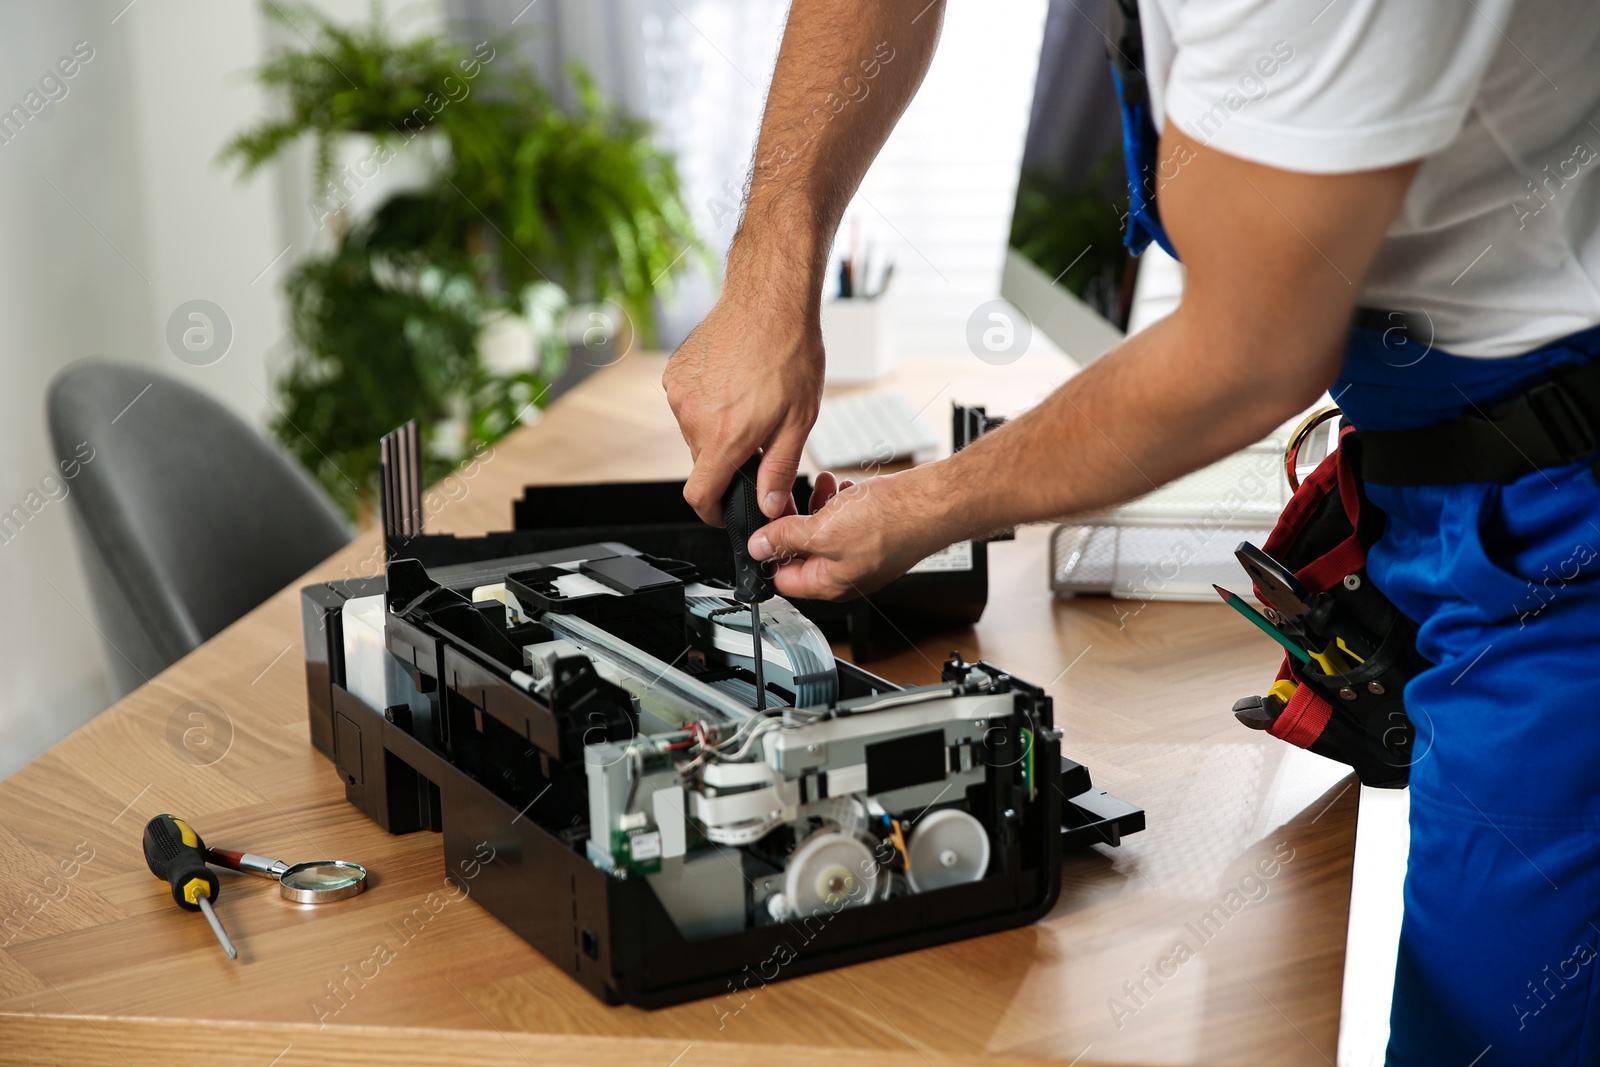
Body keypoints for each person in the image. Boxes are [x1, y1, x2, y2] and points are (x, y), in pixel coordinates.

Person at [662, 1, 1600, 1062]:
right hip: (1439, 457)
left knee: (1496, 1031)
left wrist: (915, 511)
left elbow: (1242, 358)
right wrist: (769, 264)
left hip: (1559, 520)